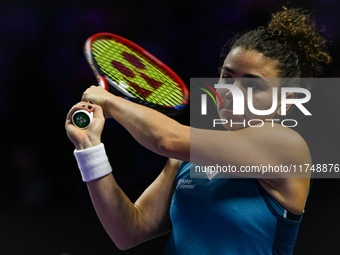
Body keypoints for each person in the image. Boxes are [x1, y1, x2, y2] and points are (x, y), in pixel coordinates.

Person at [65, 7, 331, 254]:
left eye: (253, 86)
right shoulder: (184, 160)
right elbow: (128, 231)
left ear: (284, 103)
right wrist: (90, 148)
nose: (232, 92)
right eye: (227, 77)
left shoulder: (287, 147)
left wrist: (110, 101)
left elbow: (166, 139)